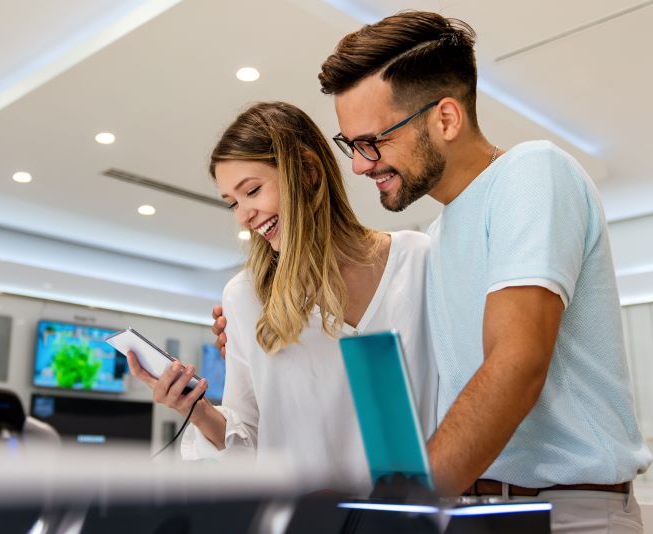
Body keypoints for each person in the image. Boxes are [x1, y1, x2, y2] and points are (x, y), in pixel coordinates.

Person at [214, 10, 651, 533]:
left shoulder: (532, 172)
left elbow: (515, 365)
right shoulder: (438, 239)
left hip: (570, 515)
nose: (359, 165)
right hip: (480, 512)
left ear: (445, 118)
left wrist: (401, 504)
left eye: (374, 141)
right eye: (351, 146)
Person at [127, 101, 437, 493]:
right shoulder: (246, 296)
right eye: (233, 203)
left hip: (415, 517)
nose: (244, 215)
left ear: (307, 172)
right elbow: (247, 442)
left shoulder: (417, 259)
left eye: (252, 191)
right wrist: (195, 409)